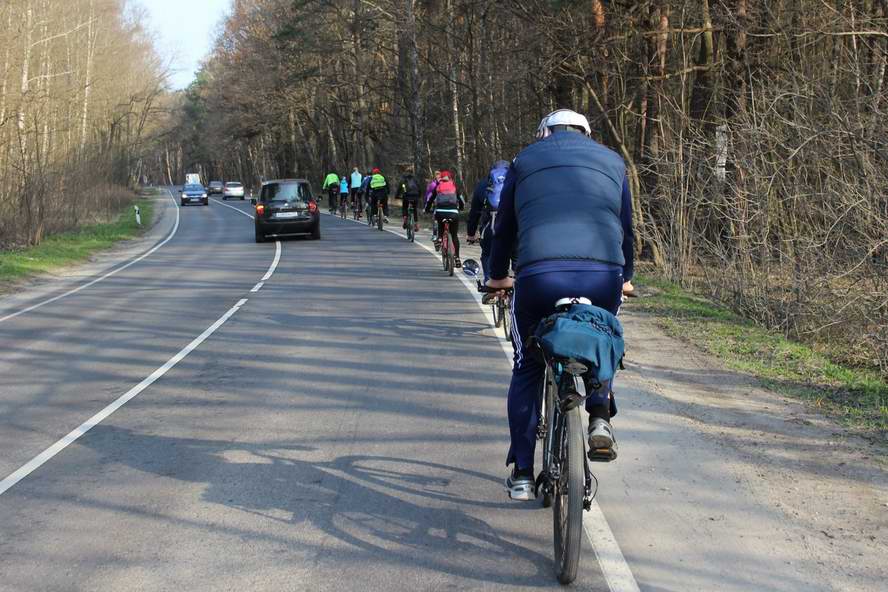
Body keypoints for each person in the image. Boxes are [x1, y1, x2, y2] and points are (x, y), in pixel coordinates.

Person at [486, 109, 635, 501]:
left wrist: (498, 274)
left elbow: (504, 229)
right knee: (603, 332)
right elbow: (626, 228)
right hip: (603, 275)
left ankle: (521, 471)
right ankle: (599, 415)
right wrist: (627, 275)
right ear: (588, 133)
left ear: (544, 134)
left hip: (540, 275)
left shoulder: (524, 160)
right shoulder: (613, 161)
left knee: (528, 363)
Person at [467, 160, 509, 284]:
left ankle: (489, 285)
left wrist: (471, 234)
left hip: (491, 227)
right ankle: (519, 288)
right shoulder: (517, 182)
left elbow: (474, 213)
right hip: (514, 229)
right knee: (516, 257)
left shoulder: (483, 185)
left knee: (487, 254)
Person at [424, 170, 465, 267]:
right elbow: (461, 200)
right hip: (453, 213)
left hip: (440, 212)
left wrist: (427, 209)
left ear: (441, 178)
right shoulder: (454, 186)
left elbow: (430, 200)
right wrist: (462, 208)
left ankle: (439, 239)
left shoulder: (438, 187)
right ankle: (457, 258)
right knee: (454, 236)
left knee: (441, 227)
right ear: (450, 178)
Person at [423, 170, 442, 240]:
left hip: (436, 204)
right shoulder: (447, 184)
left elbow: (427, 195)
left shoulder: (432, 184)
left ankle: (434, 235)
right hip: (448, 205)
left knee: (435, 219)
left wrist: (425, 205)